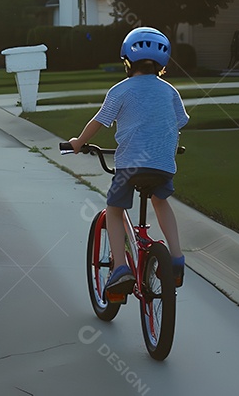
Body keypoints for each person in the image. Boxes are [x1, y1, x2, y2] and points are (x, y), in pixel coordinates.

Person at [68, 27, 189, 299]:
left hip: (131, 165)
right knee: (161, 201)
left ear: (127, 61)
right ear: (162, 63)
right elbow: (180, 121)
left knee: (114, 207)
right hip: (162, 164)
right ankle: (177, 258)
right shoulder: (170, 91)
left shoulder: (120, 90)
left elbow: (100, 120)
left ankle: (121, 268)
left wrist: (78, 142)